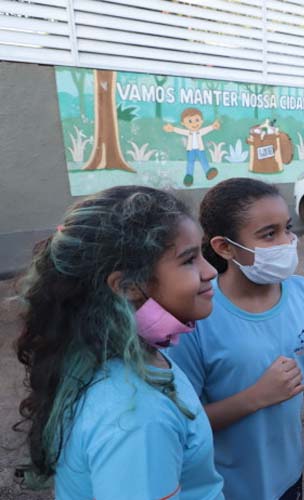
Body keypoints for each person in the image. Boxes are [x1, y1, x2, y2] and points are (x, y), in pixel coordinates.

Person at [15, 186, 224, 499]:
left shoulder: (108, 353)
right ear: (126, 286)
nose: (210, 271)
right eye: (189, 260)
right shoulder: (136, 417)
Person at [167, 178, 304, 500]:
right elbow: (181, 425)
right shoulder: (198, 316)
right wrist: (257, 397)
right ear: (224, 247)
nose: (288, 241)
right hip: (224, 488)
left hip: (289, 477)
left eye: (287, 228)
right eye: (268, 234)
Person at [163, 108, 221, 187]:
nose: (194, 124)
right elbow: (181, 131)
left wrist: (213, 127)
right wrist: (173, 129)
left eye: (197, 120)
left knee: (203, 160)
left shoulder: (199, 132)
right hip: (191, 150)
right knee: (190, 163)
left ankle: (208, 171)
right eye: (190, 121)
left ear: (201, 121)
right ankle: (189, 176)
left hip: (200, 149)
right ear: (183, 123)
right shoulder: (188, 132)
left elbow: (206, 129)